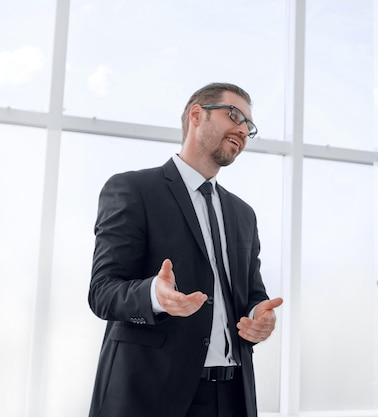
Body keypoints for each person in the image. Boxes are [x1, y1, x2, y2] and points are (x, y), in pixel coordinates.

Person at [88, 82, 283, 417]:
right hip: (151, 395)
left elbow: (253, 296)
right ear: (197, 114)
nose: (243, 129)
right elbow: (103, 291)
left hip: (233, 396)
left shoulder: (243, 214)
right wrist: (154, 294)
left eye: (249, 126)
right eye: (234, 115)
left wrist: (257, 319)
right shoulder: (133, 190)